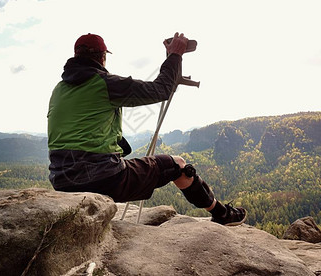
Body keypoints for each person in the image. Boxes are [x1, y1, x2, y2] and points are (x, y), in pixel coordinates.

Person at [47, 32, 247, 226]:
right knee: (176, 164)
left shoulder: (59, 88)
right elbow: (161, 90)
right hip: (102, 179)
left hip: (62, 181)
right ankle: (222, 213)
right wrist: (175, 55)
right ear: (102, 57)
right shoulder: (104, 83)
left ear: (75, 56)